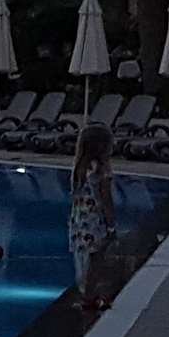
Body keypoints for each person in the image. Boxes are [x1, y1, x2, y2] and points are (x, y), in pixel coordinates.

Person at [67, 122, 117, 306]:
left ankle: (86, 293)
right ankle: (90, 296)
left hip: (79, 221)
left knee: (84, 259)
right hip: (96, 221)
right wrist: (111, 225)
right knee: (97, 259)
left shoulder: (79, 167)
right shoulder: (101, 170)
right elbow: (106, 200)